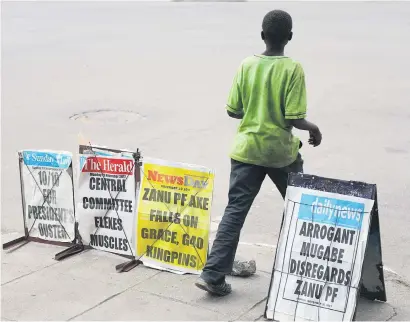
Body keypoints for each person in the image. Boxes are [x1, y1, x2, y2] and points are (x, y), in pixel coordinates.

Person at [195, 9, 322, 296]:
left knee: (235, 211)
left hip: (246, 151)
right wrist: (313, 128)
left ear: (262, 35)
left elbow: (232, 110)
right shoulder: (293, 69)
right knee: (299, 210)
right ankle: (308, 276)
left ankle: (213, 274)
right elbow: (293, 117)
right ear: (289, 38)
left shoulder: (247, 65)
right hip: (280, 154)